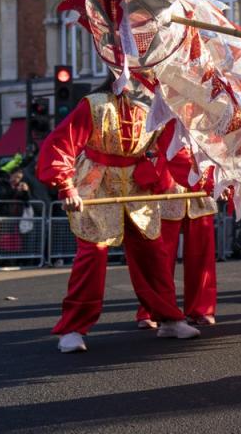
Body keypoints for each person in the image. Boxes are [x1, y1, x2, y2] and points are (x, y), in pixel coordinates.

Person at [37, 78, 201, 352]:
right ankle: (73, 328)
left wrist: (204, 182)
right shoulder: (95, 105)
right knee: (92, 255)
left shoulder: (159, 108)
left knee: (153, 254)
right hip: (95, 184)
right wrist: (65, 184)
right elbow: (62, 143)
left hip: (137, 186)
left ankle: (169, 318)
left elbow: (176, 152)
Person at [136, 123, 218, 328]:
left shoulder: (207, 113)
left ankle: (201, 308)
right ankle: (153, 309)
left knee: (202, 255)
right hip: (167, 186)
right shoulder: (159, 109)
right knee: (159, 255)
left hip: (201, 188)